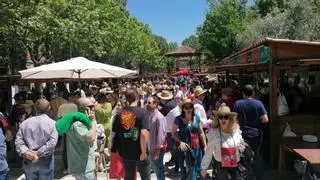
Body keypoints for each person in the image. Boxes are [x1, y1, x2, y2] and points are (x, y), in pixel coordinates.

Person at [201, 104, 249, 179]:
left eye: (226, 117)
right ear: (217, 119)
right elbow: (209, 151)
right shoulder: (214, 133)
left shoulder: (236, 131)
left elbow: (241, 143)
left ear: (230, 119)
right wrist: (204, 168)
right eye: (220, 117)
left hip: (235, 167)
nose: (223, 119)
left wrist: (241, 147)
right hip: (221, 169)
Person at [112, 88, 151, 180]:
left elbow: (115, 132)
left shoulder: (119, 114)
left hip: (126, 153)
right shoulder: (143, 112)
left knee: (129, 177)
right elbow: (144, 133)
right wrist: (143, 152)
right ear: (137, 97)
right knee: (145, 178)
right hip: (140, 153)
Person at [15, 99, 58, 179]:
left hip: (29, 160)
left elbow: (19, 141)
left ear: (35, 108)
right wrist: (38, 152)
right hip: (46, 160)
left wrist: (27, 152)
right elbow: (52, 142)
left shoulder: (25, 123)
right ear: (49, 108)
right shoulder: (53, 124)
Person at [56, 97, 97, 179]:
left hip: (84, 167)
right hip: (83, 169)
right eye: (91, 107)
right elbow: (90, 138)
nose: (94, 109)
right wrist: (93, 121)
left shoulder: (83, 121)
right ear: (83, 109)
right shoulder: (78, 124)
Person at [233, 84, 268, 179]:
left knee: (243, 156)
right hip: (255, 135)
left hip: (242, 135)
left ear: (243, 93)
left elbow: (234, 120)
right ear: (252, 93)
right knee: (255, 156)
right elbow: (265, 119)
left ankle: (244, 175)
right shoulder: (259, 103)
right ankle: (255, 175)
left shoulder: (238, 104)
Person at [172, 99, 207, 180]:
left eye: (190, 107)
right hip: (184, 149)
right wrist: (180, 142)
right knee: (184, 172)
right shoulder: (178, 119)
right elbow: (173, 133)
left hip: (196, 148)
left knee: (194, 170)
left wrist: (205, 145)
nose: (188, 109)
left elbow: (201, 132)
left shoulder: (196, 118)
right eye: (186, 107)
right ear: (183, 108)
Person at [157, 90, 180, 170]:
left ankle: (177, 165)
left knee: (173, 148)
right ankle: (173, 161)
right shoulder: (172, 103)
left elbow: (158, 115)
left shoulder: (167, 106)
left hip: (172, 130)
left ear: (163, 99)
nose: (159, 100)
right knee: (173, 148)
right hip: (174, 129)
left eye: (160, 98)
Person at [57, 92, 79, 174]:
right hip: (74, 129)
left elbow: (58, 119)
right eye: (74, 97)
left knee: (65, 149)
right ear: (71, 97)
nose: (75, 98)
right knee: (74, 148)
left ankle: (66, 167)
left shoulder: (61, 106)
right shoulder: (74, 106)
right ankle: (73, 166)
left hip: (65, 130)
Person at [146, 96, 166, 180]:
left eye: (149, 103)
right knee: (155, 168)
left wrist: (158, 150)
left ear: (156, 104)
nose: (147, 104)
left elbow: (161, 135)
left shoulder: (159, 117)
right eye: (147, 102)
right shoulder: (150, 115)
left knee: (159, 169)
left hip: (156, 149)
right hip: (151, 147)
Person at [95, 92, 112, 172]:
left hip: (100, 127)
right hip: (108, 126)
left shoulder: (96, 106)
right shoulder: (109, 105)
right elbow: (110, 114)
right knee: (109, 144)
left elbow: (95, 116)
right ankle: (112, 161)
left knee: (100, 146)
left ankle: (100, 164)